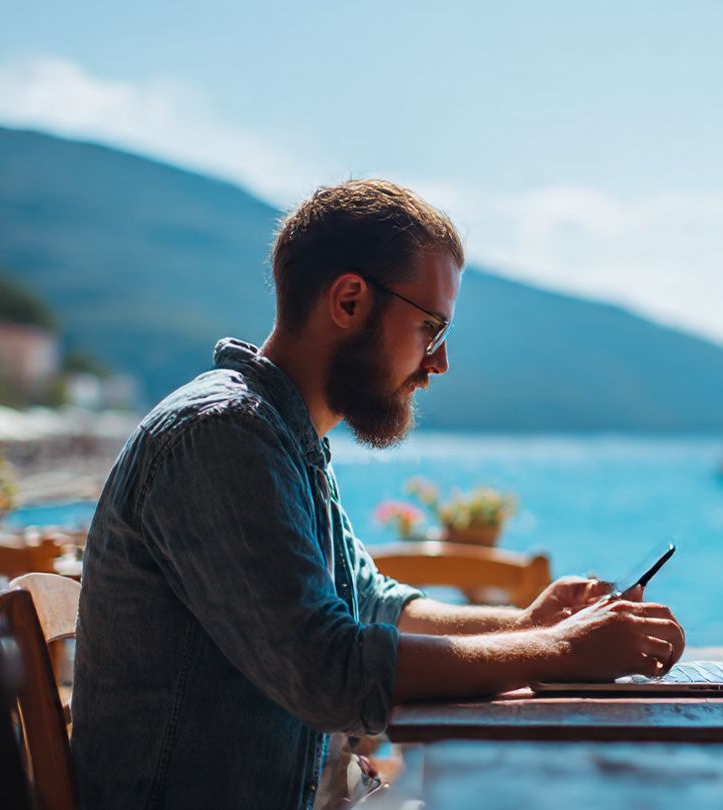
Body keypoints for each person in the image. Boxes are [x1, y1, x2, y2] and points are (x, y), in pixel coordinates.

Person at [70, 179, 686, 809]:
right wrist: (556, 652)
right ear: (349, 301)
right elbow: (328, 672)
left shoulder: (282, 438)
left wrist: (528, 624)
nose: (439, 361)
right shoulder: (221, 435)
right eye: (430, 327)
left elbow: (374, 606)